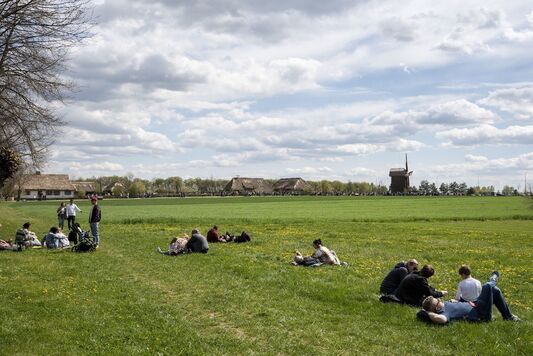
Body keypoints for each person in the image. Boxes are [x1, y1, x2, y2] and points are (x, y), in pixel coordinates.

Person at [421, 271, 520, 324]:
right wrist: (428, 312)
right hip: (480, 314)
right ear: (437, 307)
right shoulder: (444, 312)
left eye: (437, 298)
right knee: (487, 286)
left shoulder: (446, 304)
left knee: (495, 291)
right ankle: (493, 279)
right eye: (437, 301)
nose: (439, 299)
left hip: (476, 304)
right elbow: (441, 319)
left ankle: (508, 317)